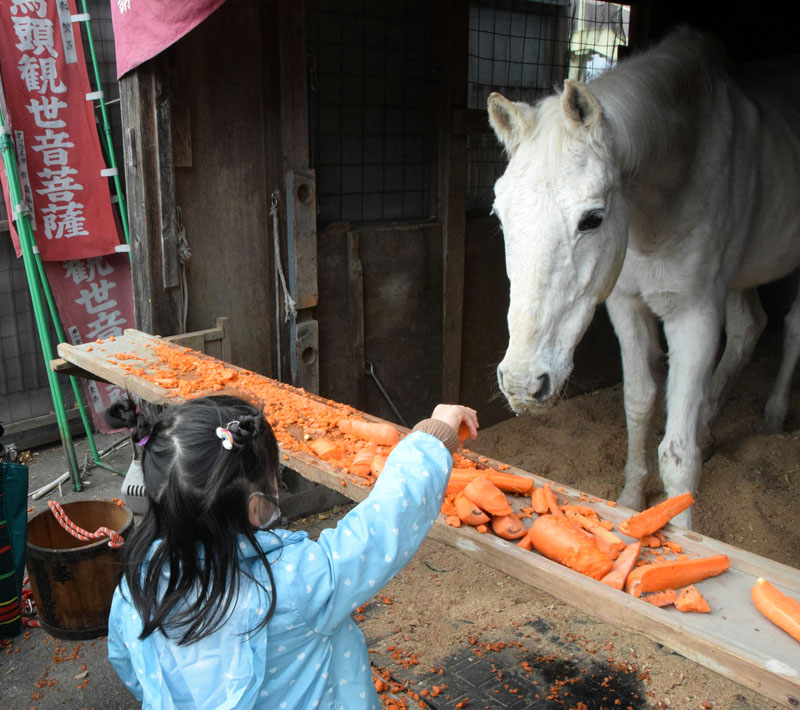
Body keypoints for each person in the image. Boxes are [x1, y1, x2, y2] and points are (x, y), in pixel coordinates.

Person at [105, 394, 478, 709]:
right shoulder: (295, 582)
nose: (277, 483)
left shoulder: (136, 584)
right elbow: (381, 527)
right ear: (255, 505)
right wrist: (433, 438)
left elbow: (130, 664)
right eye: (274, 475)